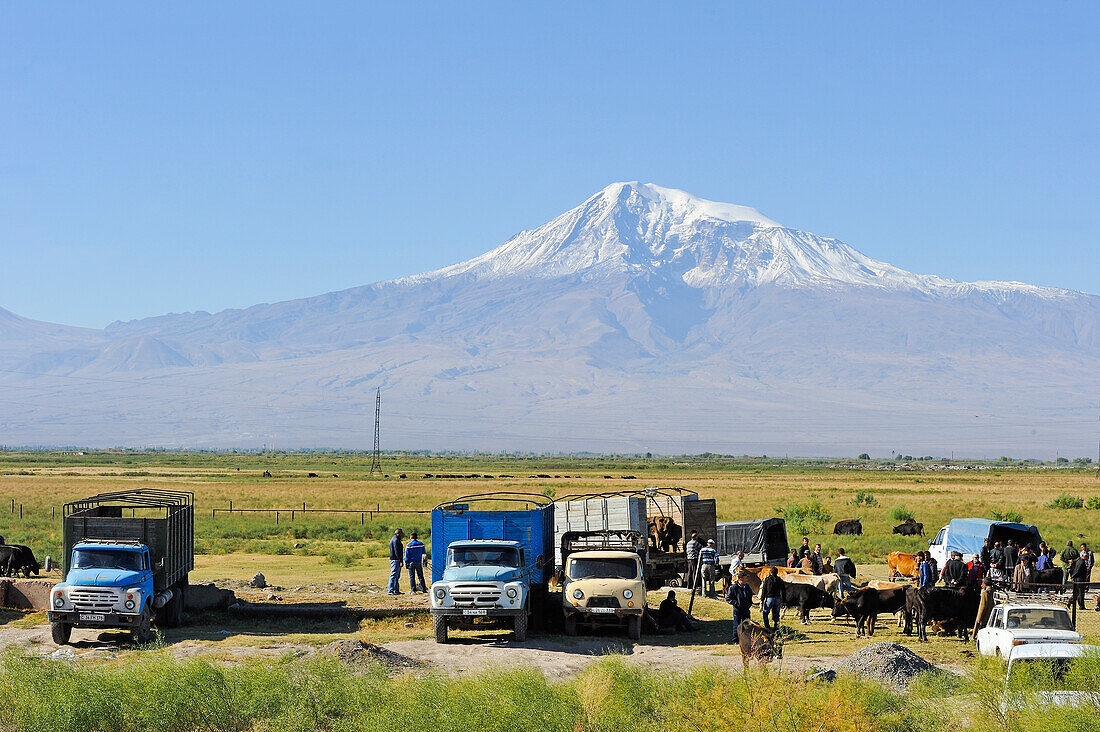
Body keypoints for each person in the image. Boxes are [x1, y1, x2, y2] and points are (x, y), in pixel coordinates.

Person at [725, 571, 753, 635]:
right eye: (746, 578)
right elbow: (728, 599)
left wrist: (749, 603)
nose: (747, 579)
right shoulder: (733, 588)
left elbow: (750, 595)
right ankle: (736, 639)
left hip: (746, 609)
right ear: (741, 579)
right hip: (738, 610)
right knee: (737, 625)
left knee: (747, 625)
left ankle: (746, 639)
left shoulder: (747, 587)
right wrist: (736, 604)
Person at [760, 566, 784, 632]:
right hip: (777, 598)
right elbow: (783, 590)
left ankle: (767, 627)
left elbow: (764, 590)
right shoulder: (780, 580)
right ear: (777, 573)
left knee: (765, 613)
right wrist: (783, 601)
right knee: (776, 613)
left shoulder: (767, 579)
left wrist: (762, 599)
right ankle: (776, 626)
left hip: (769, 598)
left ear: (770, 572)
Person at [388, 528, 405, 595]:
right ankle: (390, 590)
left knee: (397, 576)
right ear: (398, 533)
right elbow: (397, 551)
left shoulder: (395, 539)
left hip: (395, 559)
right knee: (394, 575)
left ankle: (396, 590)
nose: (402, 535)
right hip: (395, 559)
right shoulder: (396, 540)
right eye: (401, 533)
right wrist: (400, 560)